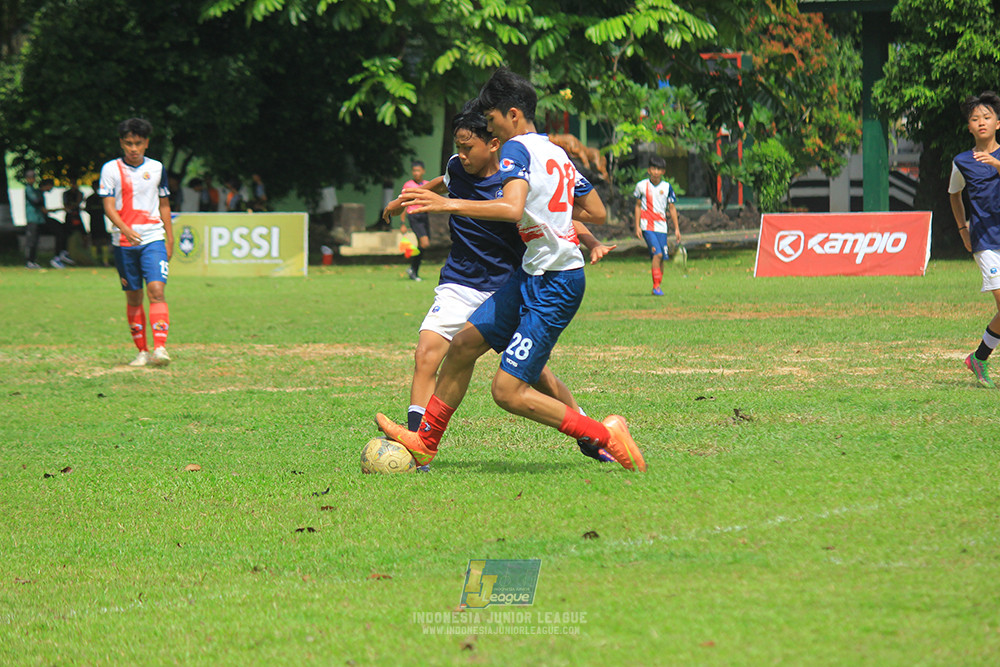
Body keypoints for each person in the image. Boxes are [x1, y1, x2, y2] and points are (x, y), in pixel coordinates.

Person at [376, 67, 646, 472]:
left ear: (513, 115)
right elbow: (597, 211)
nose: (492, 129)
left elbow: (511, 209)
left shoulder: (515, 150)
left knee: (507, 392)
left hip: (554, 283)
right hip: (529, 275)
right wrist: (551, 209)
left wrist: (446, 204)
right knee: (464, 345)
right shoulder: (556, 153)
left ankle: (604, 434)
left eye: (492, 120)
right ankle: (426, 441)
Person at [99, 118, 174, 368]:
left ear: (146, 143)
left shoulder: (157, 168)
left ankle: (160, 348)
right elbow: (108, 206)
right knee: (133, 297)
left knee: (156, 290)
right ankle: (141, 351)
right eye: (129, 143)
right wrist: (125, 229)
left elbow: (164, 204)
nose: (133, 148)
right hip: (123, 241)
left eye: (138, 143)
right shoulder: (110, 169)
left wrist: (169, 237)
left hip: (153, 238)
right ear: (121, 143)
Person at [949, 90, 1000, 388]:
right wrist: (962, 228)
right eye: (974, 118)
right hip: (985, 240)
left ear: (998, 123)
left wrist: (995, 165)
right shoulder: (962, 161)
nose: (981, 122)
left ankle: (979, 357)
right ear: (969, 127)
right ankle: (980, 357)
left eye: (987, 117)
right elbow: (954, 195)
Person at [634, 155, 681, 296]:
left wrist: (677, 228)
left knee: (662, 258)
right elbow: (637, 206)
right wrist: (637, 226)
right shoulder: (641, 186)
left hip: (662, 227)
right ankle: (656, 286)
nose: (656, 172)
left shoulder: (667, 187)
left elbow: (671, 208)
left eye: (659, 169)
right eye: (653, 168)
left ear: (663, 172)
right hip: (647, 226)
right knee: (657, 253)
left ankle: (658, 285)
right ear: (648, 170)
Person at [22, 171, 70, 269]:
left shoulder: (37, 191)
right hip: (34, 219)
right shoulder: (30, 190)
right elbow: (38, 203)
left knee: (60, 229)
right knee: (32, 241)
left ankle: (60, 254)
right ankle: (30, 261)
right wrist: (59, 209)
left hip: (41, 219)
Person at [399, 160, 430, 280]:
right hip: (414, 216)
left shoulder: (427, 184)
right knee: (424, 243)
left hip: (425, 216)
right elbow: (404, 204)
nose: (416, 173)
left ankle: (413, 269)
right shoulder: (408, 185)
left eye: (418, 170)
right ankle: (413, 270)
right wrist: (402, 223)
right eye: (414, 171)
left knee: (423, 244)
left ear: (423, 171)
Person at [85, 179, 112, 266]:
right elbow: (87, 209)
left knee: (103, 240)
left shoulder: (102, 198)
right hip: (93, 221)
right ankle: (95, 261)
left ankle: (105, 261)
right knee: (94, 241)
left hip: (101, 221)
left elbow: (106, 209)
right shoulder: (90, 198)